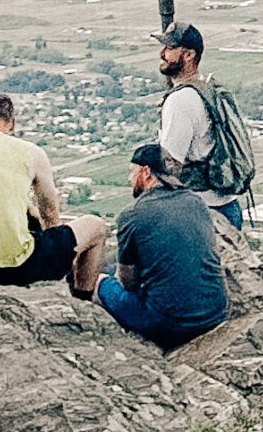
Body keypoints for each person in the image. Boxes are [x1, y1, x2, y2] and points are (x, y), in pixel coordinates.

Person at [0, 92, 108, 294]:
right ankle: (81, 297)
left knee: (29, 212)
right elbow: (50, 212)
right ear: (12, 124)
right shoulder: (31, 152)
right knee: (97, 227)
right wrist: (58, 245)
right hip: (17, 267)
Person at [98, 144, 230, 348]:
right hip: (215, 314)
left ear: (146, 172)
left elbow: (127, 281)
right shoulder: (196, 202)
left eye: (132, 172)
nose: (129, 179)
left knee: (100, 282)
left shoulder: (132, 216)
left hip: (168, 326)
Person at [156, 22, 257, 228]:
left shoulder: (181, 100)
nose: (162, 54)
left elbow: (170, 162)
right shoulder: (208, 90)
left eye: (170, 48)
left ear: (189, 55)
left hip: (202, 211)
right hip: (226, 206)